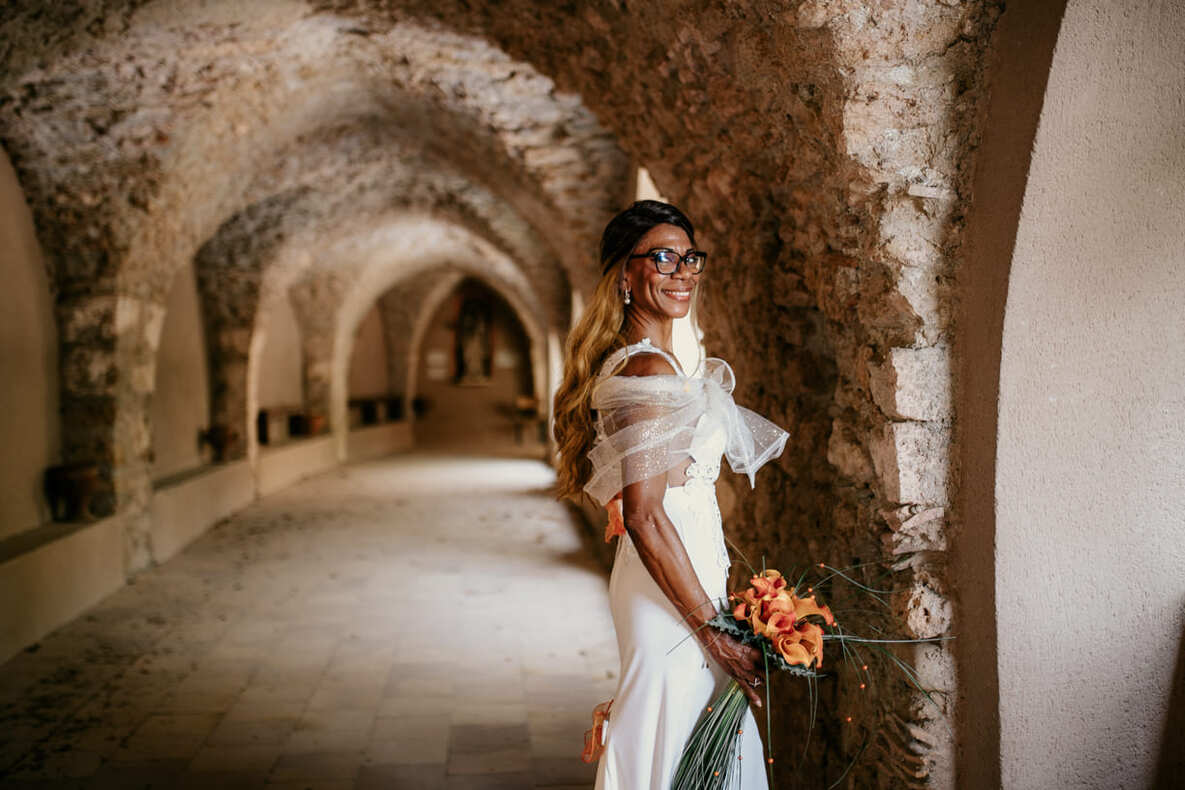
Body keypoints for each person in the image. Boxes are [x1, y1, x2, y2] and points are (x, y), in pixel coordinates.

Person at [553, 200, 789, 789]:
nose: (682, 271)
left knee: (685, 732)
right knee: (680, 726)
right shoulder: (650, 373)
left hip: (676, 583)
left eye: (689, 257)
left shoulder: (646, 365)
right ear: (626, 276)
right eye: (662, 257)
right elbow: (645, 514)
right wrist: (714, 630)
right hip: (673, 603)